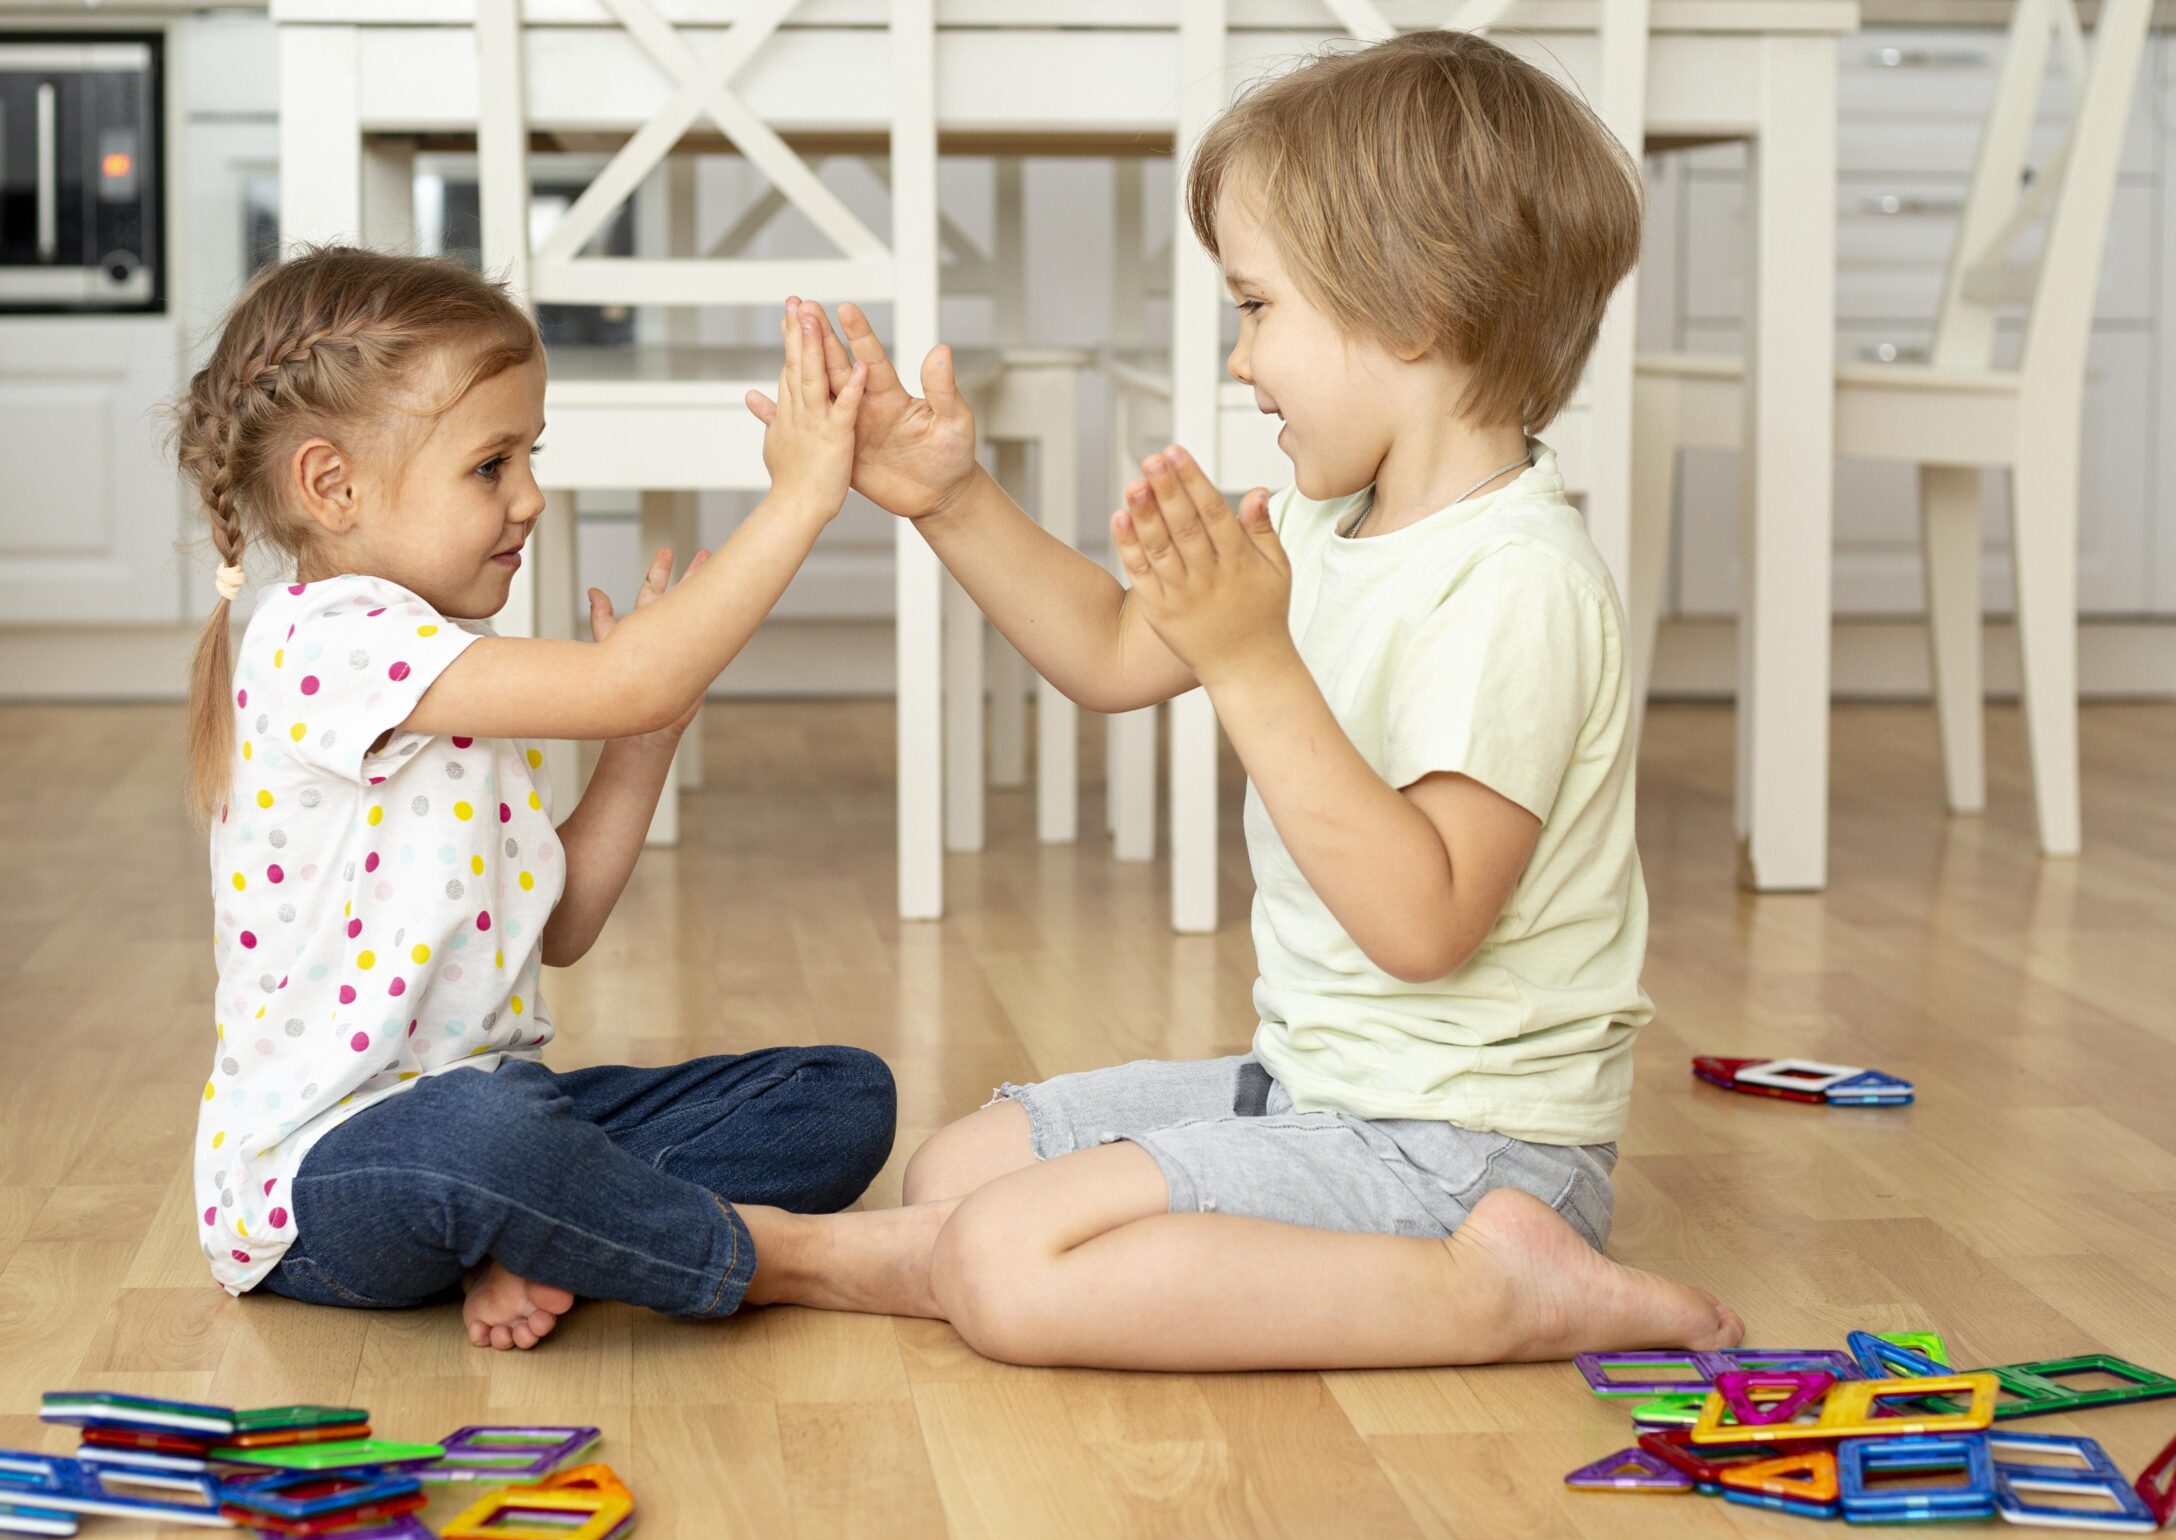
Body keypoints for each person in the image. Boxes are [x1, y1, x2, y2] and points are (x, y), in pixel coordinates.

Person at [732, 31, 1744, 1368]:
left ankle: (1506, 1289)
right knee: (958, 1173)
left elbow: (1425, 920)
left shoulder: (1519, 584)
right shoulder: (1328, 523)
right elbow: (1106, 649)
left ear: (1410, 313)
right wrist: (951, 500)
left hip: (1468, 1154)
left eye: (1259, 307)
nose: (1240, 359)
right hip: (1322, 1093)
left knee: (1008, 1261)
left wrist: (1254, 660)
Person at [172, 247, 895, 1349]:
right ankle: (770, 1261)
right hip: (325, 1184)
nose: (531, 496)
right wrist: (800, 497)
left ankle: (547, 1231)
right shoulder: (325, 640)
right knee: (492, 1129)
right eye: (489, 466)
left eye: (530, 455)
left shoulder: (441, 671)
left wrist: (643, 746)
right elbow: (629, 677)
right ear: (332, 486)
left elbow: (559, 928)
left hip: (494, 1123)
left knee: (839, 1095)